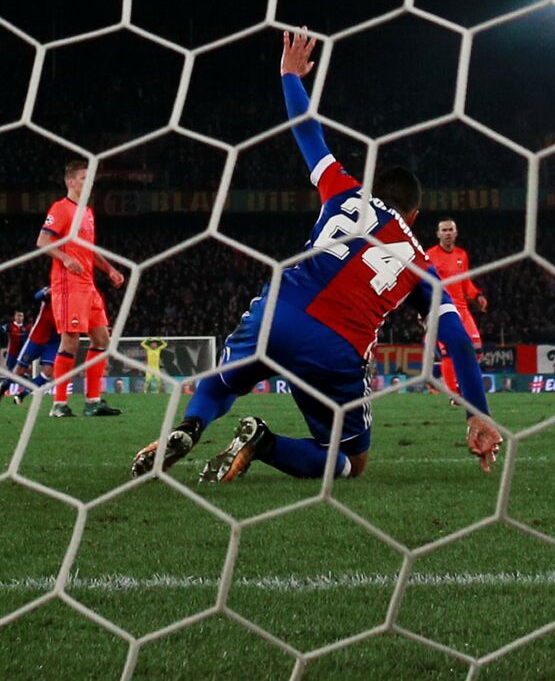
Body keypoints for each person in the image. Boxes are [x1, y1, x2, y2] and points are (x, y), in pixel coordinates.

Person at [131, 28, 500, 483]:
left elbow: (308, 132)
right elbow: (457, 341)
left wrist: (290, 77)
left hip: (276, 310)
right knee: (351, 461)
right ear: (416, 213)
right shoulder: (421, 263)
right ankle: (262, 441)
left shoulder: (343, 189)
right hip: (335, 346)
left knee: (223, 379)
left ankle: (190, 425)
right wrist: (476, 415)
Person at [37, 160, 124, 418]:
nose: (90, 183)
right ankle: (59, 404)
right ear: (71, 181)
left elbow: (90, 250)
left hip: (88, 284)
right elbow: (42, 241)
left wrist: (109, 269)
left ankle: (93, 401)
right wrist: (64, 258)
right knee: (71, 341)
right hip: (68, 285)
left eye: (91, 179)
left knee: (102, 340)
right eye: (84, 178)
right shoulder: (61, 208)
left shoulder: (86, 211)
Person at [424, 218, 486, 403]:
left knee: (477, 349)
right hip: (443, 309)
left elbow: (465, 283)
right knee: (448, 352)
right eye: (444, 230)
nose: (448, 233)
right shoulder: (430, 256)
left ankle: (462, 383)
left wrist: (477, 295)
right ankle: (454, 394)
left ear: (456, 233)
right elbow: (425, 283)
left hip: (463, 310)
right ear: (438, 234)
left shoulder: (462, 255)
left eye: (451, 229)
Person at [7, 289, 55, 405]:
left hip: (54, 341)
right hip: (37, 339)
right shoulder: (54, 289)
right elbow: (37, 296)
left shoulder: (74, 296)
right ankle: (3, 389)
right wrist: (47, 292)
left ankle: (22, 394)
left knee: (47, 372)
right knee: (18, 370)